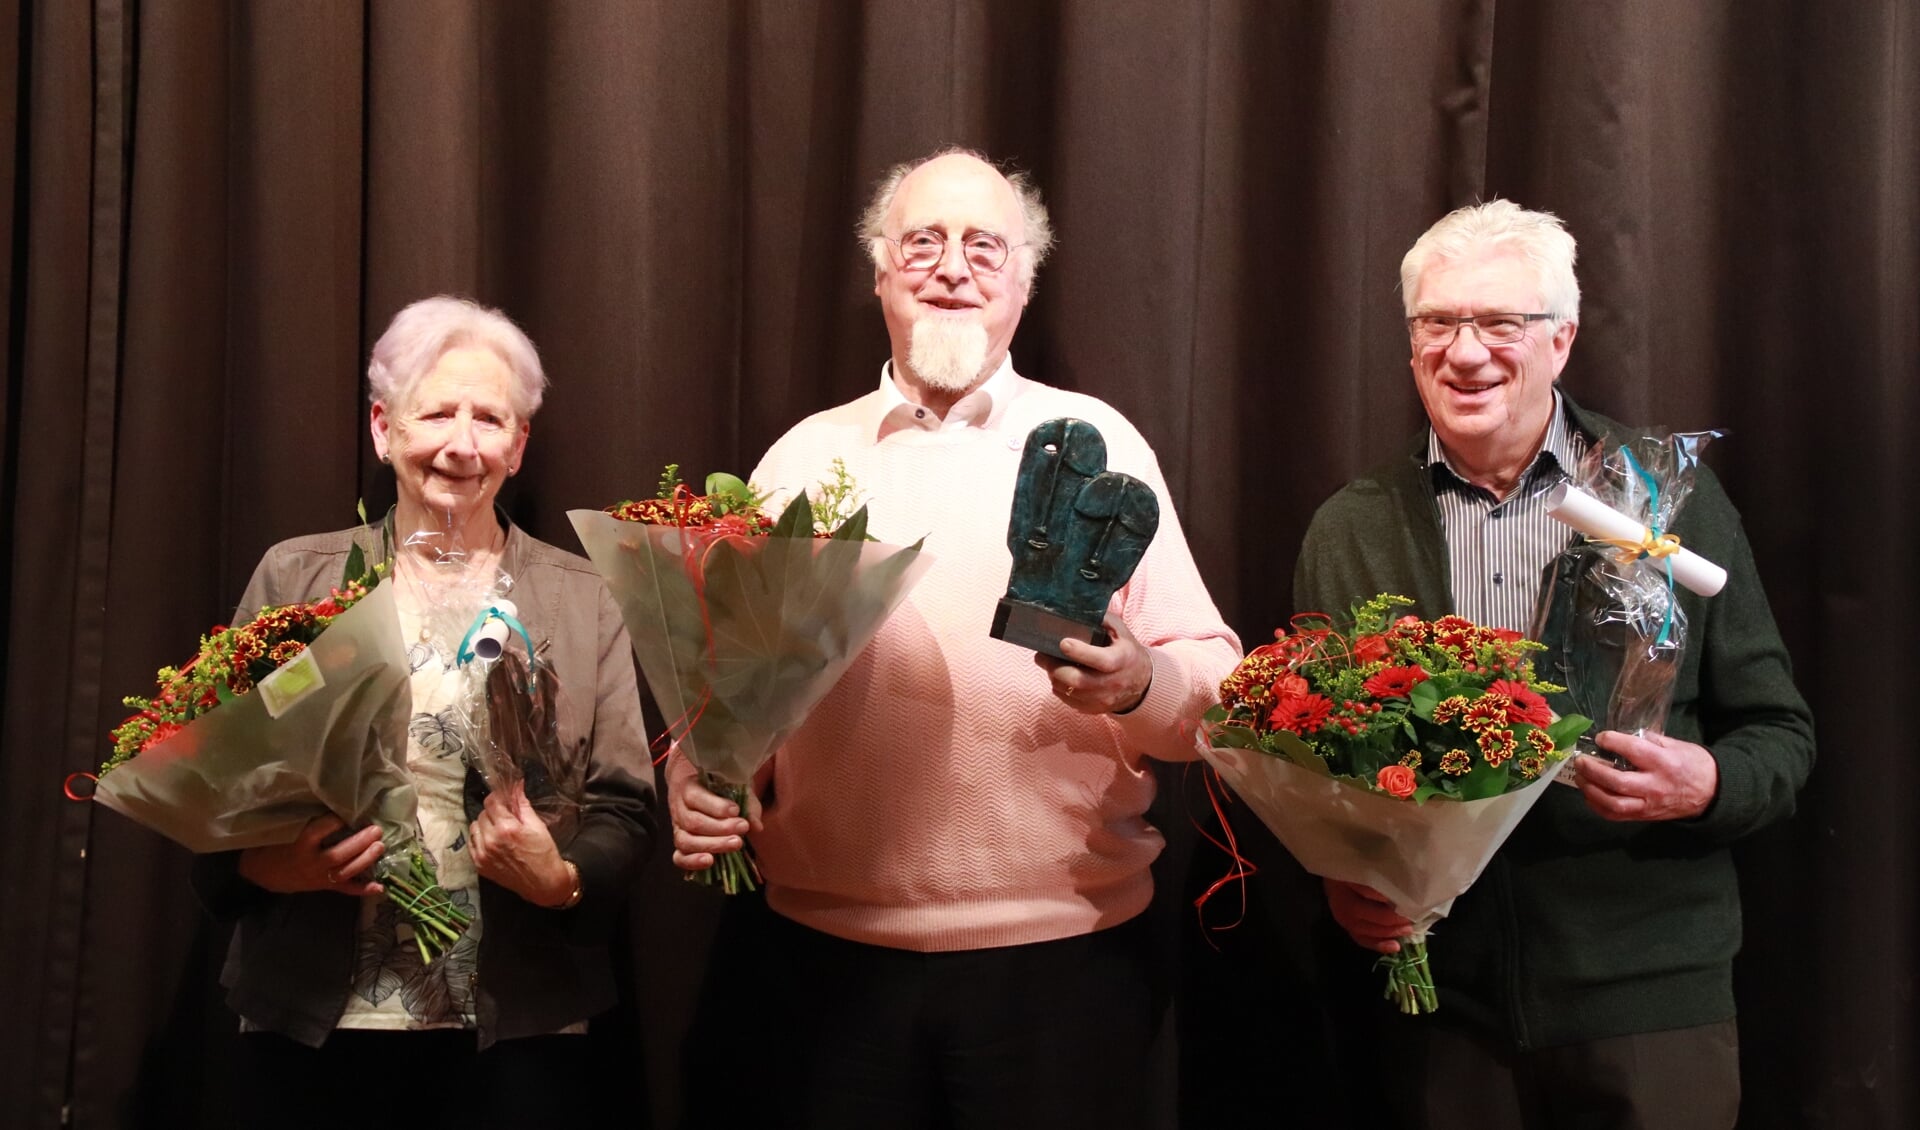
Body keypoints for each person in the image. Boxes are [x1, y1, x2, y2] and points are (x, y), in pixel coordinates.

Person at [668, 148, 1240, 1129]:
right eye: (922, 241)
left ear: (1024, 277)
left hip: (1065, 968)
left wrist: (1143, 679)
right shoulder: (801, 454)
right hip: (822, 965)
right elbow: (731, 694)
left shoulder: (1100, 440)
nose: (951, 266)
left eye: (985, 245)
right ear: (880, 269)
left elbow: (1218, 689)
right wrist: (696, 768)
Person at [1291, 200, 1815, 1128]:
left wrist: (1710, 784)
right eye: (1438, 322)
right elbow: (1319, 756)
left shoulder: (1663, 502)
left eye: (1501, 323)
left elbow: (1780, 732)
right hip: (1440, 1013)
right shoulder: (1354, 526)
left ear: (1561, 340)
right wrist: (1344, 877)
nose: (1465, 351)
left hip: (1649, 998)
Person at [190, 296, 656, 1129]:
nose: (460, 443)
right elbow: (210, 794)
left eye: (490, 418)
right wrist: (272, 868)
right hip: (315, 1022)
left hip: (518, 1026)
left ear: (518, 445)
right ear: (383, 428)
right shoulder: (295, 580)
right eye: (436, 412)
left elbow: (624, 802)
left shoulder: (584, 597)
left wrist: (561, 880)